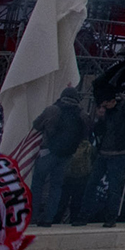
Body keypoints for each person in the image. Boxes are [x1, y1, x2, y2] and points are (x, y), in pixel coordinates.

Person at [30, 87, 86, 227]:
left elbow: (36, 124)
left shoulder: (53, 110)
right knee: (56, 187)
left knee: (37, 184)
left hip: (48, 151)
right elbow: (86, 132)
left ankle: (32, 216)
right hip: (67, 155)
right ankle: (49, 218)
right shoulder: (82, 114)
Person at [85, 93, 125, 227]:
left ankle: (111, 217)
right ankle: (83, 215)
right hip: (103, 153)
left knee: (114, 187)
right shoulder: (105, 116)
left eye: (106, 105)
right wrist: (100, 119)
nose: (104, 108)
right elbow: (98, 132)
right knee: (91, 183)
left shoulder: (124, 109)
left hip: (119, 153)